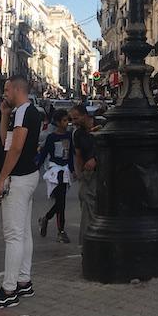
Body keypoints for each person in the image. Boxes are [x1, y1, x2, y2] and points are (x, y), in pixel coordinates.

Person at [0, 75, 42, 310]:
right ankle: (23, 281)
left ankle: (8, 291)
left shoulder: (25, 113)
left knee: (13, 236)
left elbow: (15, 149)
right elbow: (5, 142)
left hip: (18, 179)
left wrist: (1, 179)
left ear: (17, 89)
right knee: (23, 233)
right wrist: (5, 114)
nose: (4, 93)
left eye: (7, 89)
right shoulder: (23, 112)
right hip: (28, 176)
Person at [36, 109, 74, 243]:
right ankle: (60, 231)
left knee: (60, 202)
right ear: (57, 122)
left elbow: (71, 154)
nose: (66, 123)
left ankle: (46, 218)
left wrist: (73, 170)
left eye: (67, 120)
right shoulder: (51, 137)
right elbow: (44, 154)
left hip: (65, 171)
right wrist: (36, 167)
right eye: (64, 120)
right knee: (60, 202)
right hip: (55, 171)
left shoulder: (69, 136)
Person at [69, 104, 97, 246]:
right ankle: (87, 242)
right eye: (72, 119)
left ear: (85, 115)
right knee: (86, 203)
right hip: (88, 175)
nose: (74, 122)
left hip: (101, 173)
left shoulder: (100, 126)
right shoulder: (77, 134)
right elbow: (78, 155)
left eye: (76, 118)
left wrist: (96, 159)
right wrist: (80, 174)